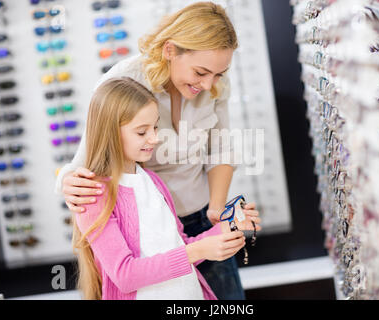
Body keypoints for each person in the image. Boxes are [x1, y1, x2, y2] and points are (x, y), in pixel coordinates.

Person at [57, 2, 261, 300]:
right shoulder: (124, 82)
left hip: (199, 221)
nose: (208, 84)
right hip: (144, 234)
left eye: (218, 74)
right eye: (201, 72)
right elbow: (91, 158)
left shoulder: (215, 81)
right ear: (170, 51)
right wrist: (69, 182)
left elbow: (220, 148)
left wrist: (218, 211)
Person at [73, 76, 255, 300]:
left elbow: (179, 246)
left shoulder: (152, 180)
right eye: (142, 132)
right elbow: (125, 275)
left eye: (156, 127)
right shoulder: (94, 196)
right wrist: (196, 251)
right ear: (109, 131)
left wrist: (228, 228)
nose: (155, 138)